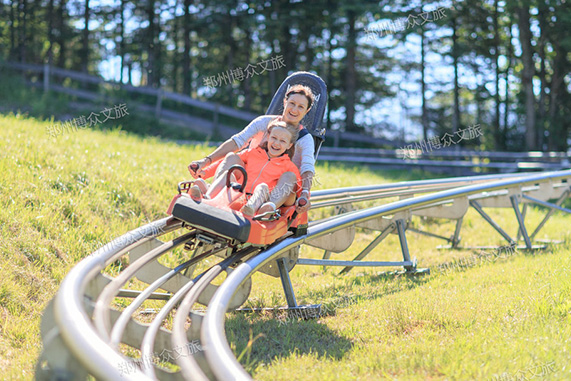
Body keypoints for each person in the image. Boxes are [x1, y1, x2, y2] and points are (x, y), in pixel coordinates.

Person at [188, 84, 316, 214]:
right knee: (232, 157)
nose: (295, 109)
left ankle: (267, 208)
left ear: (307, 110)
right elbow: (237, 143)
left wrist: (304, 195)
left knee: (289, 177)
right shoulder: (262, 127)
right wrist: (205, 166)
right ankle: (212, 198)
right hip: (247, 182)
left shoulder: (304, 139)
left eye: (301, 106)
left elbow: (307, 168)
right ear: (285, 102)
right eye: (292, 103)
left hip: (278, 191)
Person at [191, 120, 301, 217]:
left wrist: (304, 199)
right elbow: (226, 162)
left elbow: (299, 187)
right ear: (268, 137)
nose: (276, 143)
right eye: (274, 138)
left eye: (282, 141)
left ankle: (261, 209)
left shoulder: (289, 166)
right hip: (238, 195)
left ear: (289, 145)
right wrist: (205, 172)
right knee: (230, 162)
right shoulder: (253, 153)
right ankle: (208, 196)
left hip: (259, 203)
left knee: (264, 186)